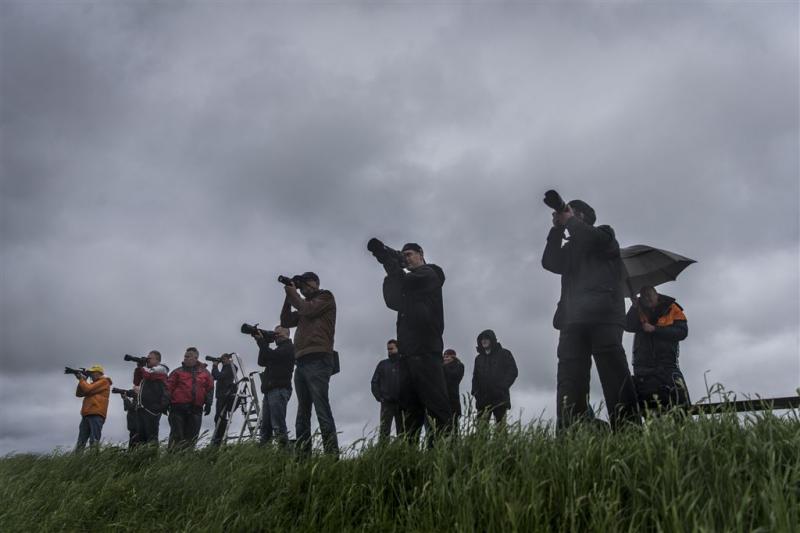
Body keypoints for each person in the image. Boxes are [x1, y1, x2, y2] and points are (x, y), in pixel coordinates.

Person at [541, 198, 640, 430]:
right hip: (573, 319)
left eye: (569, 212)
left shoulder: (604, 235)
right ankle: (570, 433)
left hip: (604, 317)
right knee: (569, 379)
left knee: (614, 375)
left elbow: (593, 239)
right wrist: (556, 230)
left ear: (582, 216)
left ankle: (628, 431)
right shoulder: (570, 247)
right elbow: (550, 262)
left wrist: (570, 221)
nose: (565, 216)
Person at [369, 240, 453, 442]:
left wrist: (395, 264)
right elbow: (392, 300)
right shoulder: (409, 285)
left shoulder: (430, 273)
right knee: (410, 412)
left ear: (421, 254)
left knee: (436, 406)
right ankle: (409, 458)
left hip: (426, 350)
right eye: (404, 255)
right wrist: (389, 266)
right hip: (407, 354)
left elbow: (407, 282)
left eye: (409, 254)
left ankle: (446, 452)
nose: (406, 259)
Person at [280, 272, 339, 456]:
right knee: (302, 413)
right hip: (302, 361)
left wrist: (293, 294)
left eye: (306, 282)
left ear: (316, 282)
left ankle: (331, 455)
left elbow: (308, 310)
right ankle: (304, 456)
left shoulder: (325, 297)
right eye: (301, 284)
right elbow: (286, 321)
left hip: (319, 359)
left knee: (321, 409)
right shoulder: (304, 305)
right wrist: (288, 296)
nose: (303, 287)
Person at [625, 285, 690, 412]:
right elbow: (628, 326)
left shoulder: (672, 308)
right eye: (644, 296)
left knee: (680, 403)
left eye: (650, 294)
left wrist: (655, 329)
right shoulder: (638, 309)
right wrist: (634, 307)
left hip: (667, 365)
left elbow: (682, 332)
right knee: (648, 408)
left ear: (657, 295)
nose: (647, 298)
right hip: (643, 367)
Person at [166, 347, 214, 449]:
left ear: (196, 358)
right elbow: (168, 388)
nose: (186, 358)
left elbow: (210, 388)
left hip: (196, 409)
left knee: (192, 438)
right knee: (176, 436)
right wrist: (164, 403)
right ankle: (171, 460)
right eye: (185, 356)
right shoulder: (177, 372)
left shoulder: (205, 373)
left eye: (189, 356)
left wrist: (209, 403)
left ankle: (186, 460)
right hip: (177, 409)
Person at [256, 325, 295, 447]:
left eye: (278, 334)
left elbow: (271, 356)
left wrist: (262, 342)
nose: (275, 336)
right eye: (274, 334)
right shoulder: (277, 350)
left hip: (279, 390)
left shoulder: (289, 347)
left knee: (278, 426)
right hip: (270, 391)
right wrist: (264, 343)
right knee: (265, 428)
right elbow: (262, 361)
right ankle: (264, 456)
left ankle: (284, 455)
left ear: (286, 334)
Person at [471, 330, 518, 425]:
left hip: (499, 397)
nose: (484, 341)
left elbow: (513, 371)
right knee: (481, 429)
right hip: (482, 399)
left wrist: (502, 386)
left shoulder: (504, 354)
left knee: (500, 429)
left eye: (486, 338)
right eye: (482, 339)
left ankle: (501, 441)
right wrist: (475, 392)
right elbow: (475, 376)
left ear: (492, 339)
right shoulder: (478, 358)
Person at [133, 350, 169, 446]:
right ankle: (143, 459)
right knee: (141, 437)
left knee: (151, 437)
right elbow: (136, 381)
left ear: (157, 360)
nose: (147, 360)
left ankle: (152, 458)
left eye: (150, 358)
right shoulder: (148, 370)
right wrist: (138, 368)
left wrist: (142, 367)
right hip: (142, 408)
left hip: (152, 409)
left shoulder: (161, 370)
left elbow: (147, 375)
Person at [370, 339, 404, 442]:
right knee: (384, 432)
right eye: (388, 349)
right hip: (386, 403)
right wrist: (380, 397)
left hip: (401, 403)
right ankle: (383, 453)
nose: (389, 351)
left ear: (398, 348)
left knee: (402, 432)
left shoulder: (404, 363)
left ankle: (402, 453)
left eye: (391, 349)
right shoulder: (383, 364)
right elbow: (374, 382)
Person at [74, 365, 112, 451]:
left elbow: (87, 389)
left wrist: (82, 379)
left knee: (94, 440)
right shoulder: (92, 384)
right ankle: (77, 461)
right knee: (81, 441)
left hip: (96, 414)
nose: (90, 375)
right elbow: (79, 394)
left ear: (99, 373)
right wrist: (82, 380)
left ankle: (94, 460)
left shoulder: (104, 381)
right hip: (87, 413)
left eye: (92, 373)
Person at [210, 353, 237, 445]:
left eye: (223, 359)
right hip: (222, 395)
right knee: (219, 417)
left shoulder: (230, 367)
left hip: (225, 395)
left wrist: (214, 366)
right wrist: (215, 367)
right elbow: (214, 376)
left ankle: (219, 440)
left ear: (229, 359)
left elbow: (218, 376)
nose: (222, 360)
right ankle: (219, 439)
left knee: (220, 417)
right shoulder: (226, 368)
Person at [442, 349, 465, 430]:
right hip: (441, 400)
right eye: (444, 357)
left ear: (454, 358)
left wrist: (444, 367)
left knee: (453, 427)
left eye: (448, 357)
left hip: (453, 401)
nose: (445, 358)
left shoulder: (459, 366)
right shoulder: (440, 367)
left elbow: (454, 376)